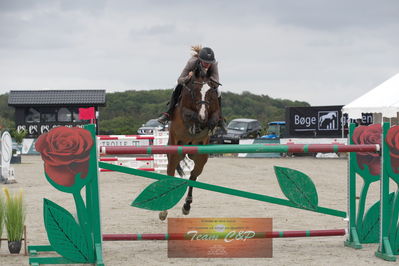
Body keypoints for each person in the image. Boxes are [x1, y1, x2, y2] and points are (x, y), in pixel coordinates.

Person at [157, 46, 226, 132]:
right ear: (200, 60)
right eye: (205, 62)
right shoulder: (192, 62)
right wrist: (188, 77)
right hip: (193, 83)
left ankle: (220, 118)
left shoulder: (214, 65)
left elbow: (216, 82)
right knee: (176, 85)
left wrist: (209, 79)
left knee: (219, 91)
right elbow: (180, 79)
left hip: (207, 84)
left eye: (209, 62)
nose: (208, 64)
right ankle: (168, 113)